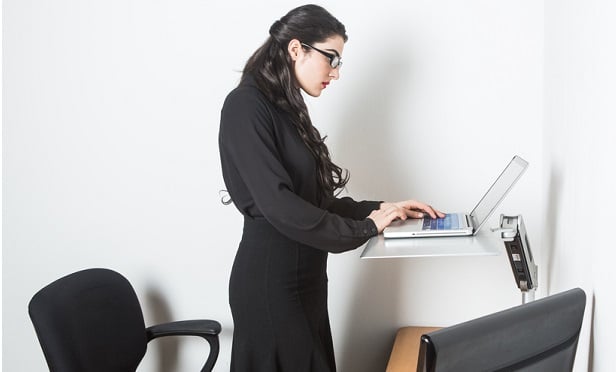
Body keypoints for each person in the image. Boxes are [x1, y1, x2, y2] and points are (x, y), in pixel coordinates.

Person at [218, 4, 444, 371]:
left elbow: (316, 202)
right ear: (296, 49)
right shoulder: (245, 106)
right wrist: (366, 228)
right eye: (331, 58)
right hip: (270, 286)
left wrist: (384, 208)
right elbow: (279, 205)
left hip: (306, 280)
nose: (335, 73)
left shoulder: (287, 109)